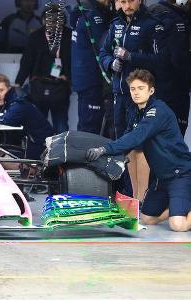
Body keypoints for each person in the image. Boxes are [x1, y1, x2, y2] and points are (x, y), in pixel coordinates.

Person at [87, 69, 191, 232]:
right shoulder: (136, 112)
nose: (136, 93)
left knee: (178, 226)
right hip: (161, 179)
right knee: (147, 218)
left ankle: (180, 212)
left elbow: (136, 137)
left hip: (180, 175)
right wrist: (112, 156)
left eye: (141, 88)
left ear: (151, 90)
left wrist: (104, 149)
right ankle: (180, 209)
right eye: (133, 89)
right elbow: (128, 138)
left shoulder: (157, 111)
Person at [99, 0, 166, 201]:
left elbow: (161, 60)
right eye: (122, 1)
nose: (126, 5)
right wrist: (111, 63)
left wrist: (131, 57)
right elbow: (103, 53)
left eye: (130, 0)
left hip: (140, 98)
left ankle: (144, 196)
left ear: (139, 1)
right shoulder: (115, 24)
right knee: (121, 144)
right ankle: (127, 193)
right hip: (118, 94)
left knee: (141, 145)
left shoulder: (152, 24)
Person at [15, 3, 72, 134]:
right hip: (38, 86)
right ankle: (38, 152)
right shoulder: (36, 36)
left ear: (62, 20)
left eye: (56, 19)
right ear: (43, 20)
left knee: (61, 125)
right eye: (49, 19)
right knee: (39, 123)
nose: (52, 22)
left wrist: (69, 78)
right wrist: (18, 82)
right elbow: (26, 62)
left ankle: (62, 153)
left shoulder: (69, 36)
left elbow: (75, 60)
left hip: (60, 87)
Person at [0, 74, 54, 160]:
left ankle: (33, 170)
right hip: (29, 147)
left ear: (9, 89)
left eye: (1, 90)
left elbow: (7, 120)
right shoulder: (8, 103)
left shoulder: (18, 103)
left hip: (41, 150)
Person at [149, 0, 190, 136]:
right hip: (175, 89)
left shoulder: (150, 13)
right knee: (174, 137)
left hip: (153, 87)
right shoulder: (175, 20)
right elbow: (178, 59)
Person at [71, 0, 113, 134]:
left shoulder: (82, 10)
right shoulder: (94, 15)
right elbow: (105, 45)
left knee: (86, 126)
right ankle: (85, 155)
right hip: (92, 79)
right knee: (90, 128)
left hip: (84, 78)